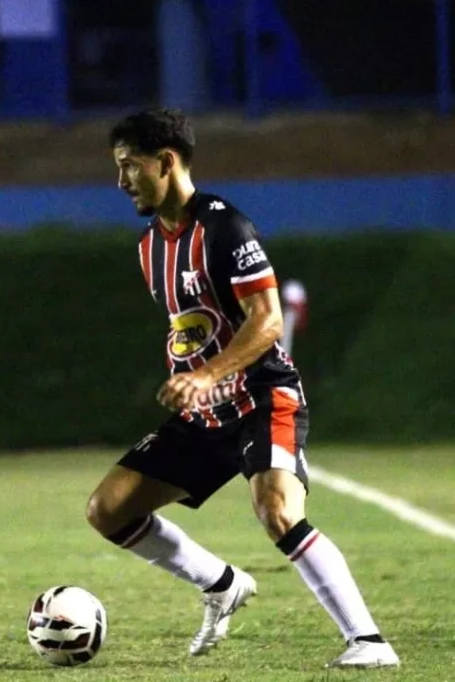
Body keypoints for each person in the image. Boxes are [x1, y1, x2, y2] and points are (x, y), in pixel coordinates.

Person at [86, 108, 399, 669]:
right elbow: (192, 325)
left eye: (129, 166)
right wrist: (191, 375)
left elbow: (268, 319)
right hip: (206, 416)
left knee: (276, 509)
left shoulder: (225, 227)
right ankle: (222, 583)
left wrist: (207, 374)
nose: (121, 181)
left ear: (166, 161)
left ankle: (369, 642)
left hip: (262, 397)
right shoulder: (147, 247)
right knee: (107, 509)